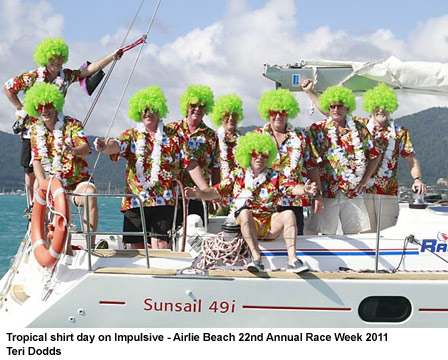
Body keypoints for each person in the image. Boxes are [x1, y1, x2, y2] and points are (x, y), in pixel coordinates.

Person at [3, 37, 121, 215]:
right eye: (52, 61)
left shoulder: (65, 76)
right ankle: (32, 205)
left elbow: (87, 71)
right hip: (33, 128)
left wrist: (111, 57)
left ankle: (57, 202)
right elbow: (8, 87)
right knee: (31, 169)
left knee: (57, 165)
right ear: (45, 59)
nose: (56, 63)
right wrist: (20, 109)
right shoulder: (33, 76)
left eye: (59, 60)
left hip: (56, 126)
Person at [185, 132, 317, 273]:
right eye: (255, 153)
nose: (259, 157)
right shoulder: (237, 175)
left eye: (264, 154)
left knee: (289, 213)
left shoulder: (275, 176)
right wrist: (199, 193)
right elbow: (217, 191)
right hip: (247, 224)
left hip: (268, 225)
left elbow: (291, 187)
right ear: (248, 155)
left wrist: (305, 190)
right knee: (244, 212)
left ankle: (293, 260)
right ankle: (256, 258)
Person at [95, 86, 208, 249]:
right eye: (144, 109)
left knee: (161, 244)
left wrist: (207, 190)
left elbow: (190, 164)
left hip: (163, 200)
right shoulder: (132, 135)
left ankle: (164, 274)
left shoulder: (174, 137)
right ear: (139, 112)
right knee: (136, 246)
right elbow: (116, 146)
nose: (148, 113)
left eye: (152, 109)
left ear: (159, 111)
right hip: (136, 201)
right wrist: (104, 147)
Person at [301, 80, 381, 234]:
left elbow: (375, 155)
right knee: (325, 234)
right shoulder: (317, 129)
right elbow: (310, 161)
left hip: (353, 192)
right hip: (327, 191)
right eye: (332, 106)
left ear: (347, 107)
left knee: (356, 234)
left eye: (340, 106)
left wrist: (364, 180)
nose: (336, 109)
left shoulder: (359, 128)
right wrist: (316, 192)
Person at [24, 83, 98, 249]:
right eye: (40, 106)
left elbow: (85, 148)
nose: (44, 110)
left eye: (48, 105)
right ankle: (55, 248)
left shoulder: (73, 124)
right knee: (42, 190)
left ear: (56, 105)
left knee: (90, 193)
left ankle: (90, 248)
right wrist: (46, 185)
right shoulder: (36, 131)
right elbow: (36, 161)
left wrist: (72, 149)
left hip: (76, 182)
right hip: (52, 183)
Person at [358, 83, 427, 230]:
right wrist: (310, 92)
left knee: (387, 233)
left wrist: (417, 180)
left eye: (385, 106)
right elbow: (332, 114)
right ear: (370, 107)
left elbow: (411, 158)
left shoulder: (400, 131)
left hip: (387, 191)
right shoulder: (359, 127)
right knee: (364, 233)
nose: (381, 110)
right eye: (377, 106)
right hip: (361, 189)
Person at [255, 88, 323, 235]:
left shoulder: (301, 137)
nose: (278, 116)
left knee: (295, 243)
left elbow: (311, 167)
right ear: (268, 112)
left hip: (294, 200)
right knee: (267, 243)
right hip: (264, 201)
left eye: (283, 112)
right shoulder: (257, 137)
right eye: (274, 112)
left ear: (289, 112)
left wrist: (317, 195)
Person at [167, 84, 219, 225]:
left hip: (198, 197)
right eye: (194, 105)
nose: (197, 109)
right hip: (172, 197)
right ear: (186, 106)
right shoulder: (170, 130)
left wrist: (213, 195)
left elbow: (215, 167)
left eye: (202, 106)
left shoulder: (212, 136)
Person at [210, 94, 243, 208]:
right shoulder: (213, 139)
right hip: (218, 193)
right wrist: (214, 193)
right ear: (220, 117)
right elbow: (212, 168)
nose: (230, 118)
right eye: (226, 115)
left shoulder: (243, 140)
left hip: (239, 193)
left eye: (234, 114)